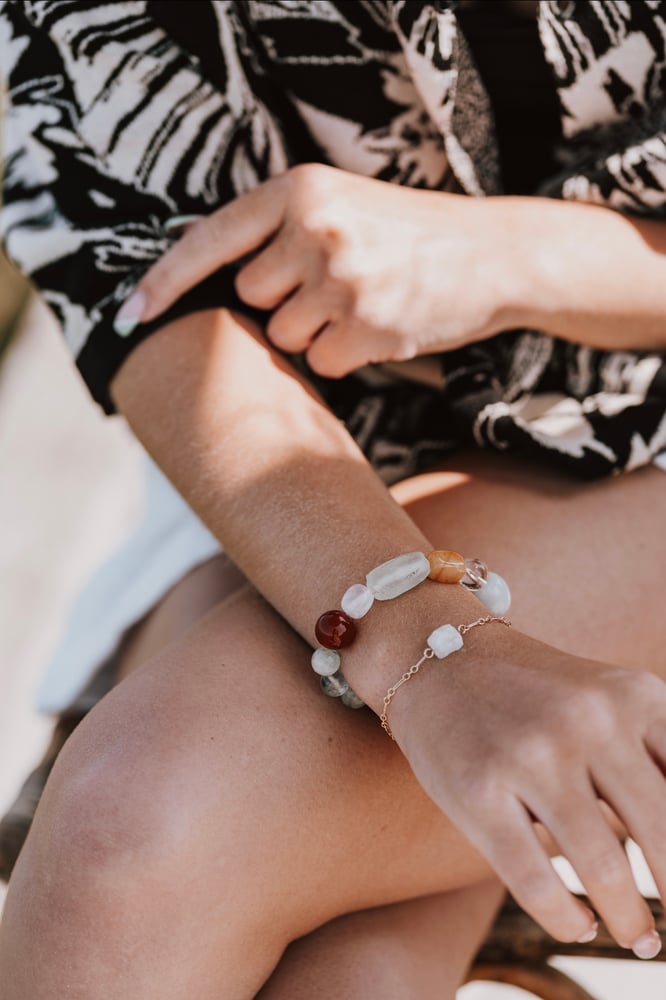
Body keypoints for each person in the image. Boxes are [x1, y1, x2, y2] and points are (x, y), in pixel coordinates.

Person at [1, 1, 666, 997]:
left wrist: (511, 256)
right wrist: (429, 650)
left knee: (145, 825)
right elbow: (133, 266)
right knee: (134, 849)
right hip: (310, 435)